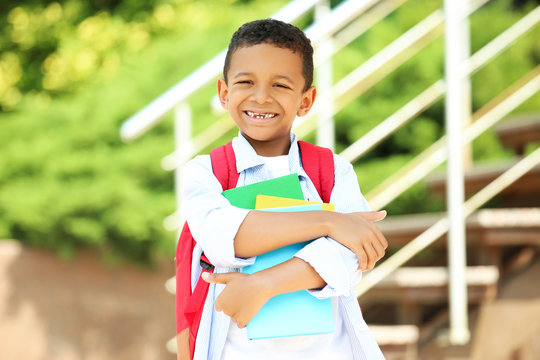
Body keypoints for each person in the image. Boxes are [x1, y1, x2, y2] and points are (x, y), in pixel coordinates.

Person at [181, 18, 388, 360]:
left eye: (280, 85)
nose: (261, 97)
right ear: (224, 92)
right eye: (246, 81)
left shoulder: (333, 170)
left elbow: (353, 256)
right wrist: (330, 223)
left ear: (306, 101)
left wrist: (263, 285)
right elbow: (224, 238)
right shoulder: (207, 172)